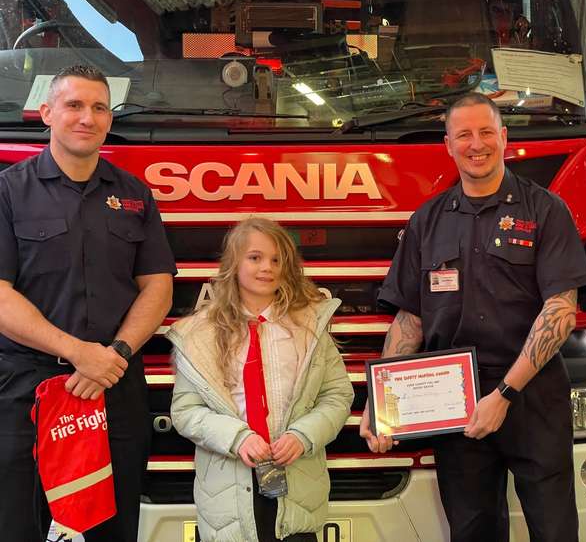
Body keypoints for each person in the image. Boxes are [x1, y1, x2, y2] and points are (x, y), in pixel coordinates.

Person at [360, 92, 586, 542]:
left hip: (533, 394)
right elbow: (410, 318)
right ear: (448, 145)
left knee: (554, 529)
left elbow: (561, 312)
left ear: (504, 138)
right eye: (464, 134)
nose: (476, 144)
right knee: (471, 530)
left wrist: (504, 393)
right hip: (455, 400)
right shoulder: (427, 220)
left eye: (486, 132)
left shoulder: (545, 210)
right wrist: (380, 401)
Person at [0, 65, 175, 540]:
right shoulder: (8, 191)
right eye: (74, 105)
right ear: (46, 113)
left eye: (100, 108)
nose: (87, 117)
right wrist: (80, 353)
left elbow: (158, 286)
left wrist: (114, 355)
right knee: (20, 525)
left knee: (114, 527)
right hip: (28, 392)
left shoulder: (135, 194)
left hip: (113, 390)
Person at [168, 217, 354, 542]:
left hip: (297, 486)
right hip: (227, 491)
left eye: (276, 259)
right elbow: (185, 412)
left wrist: (303, 435)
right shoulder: (199, 333)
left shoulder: (309, 328)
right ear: (233, 264)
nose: (267, 267)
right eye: (255, 257)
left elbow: (337, 396)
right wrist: (236, 437)